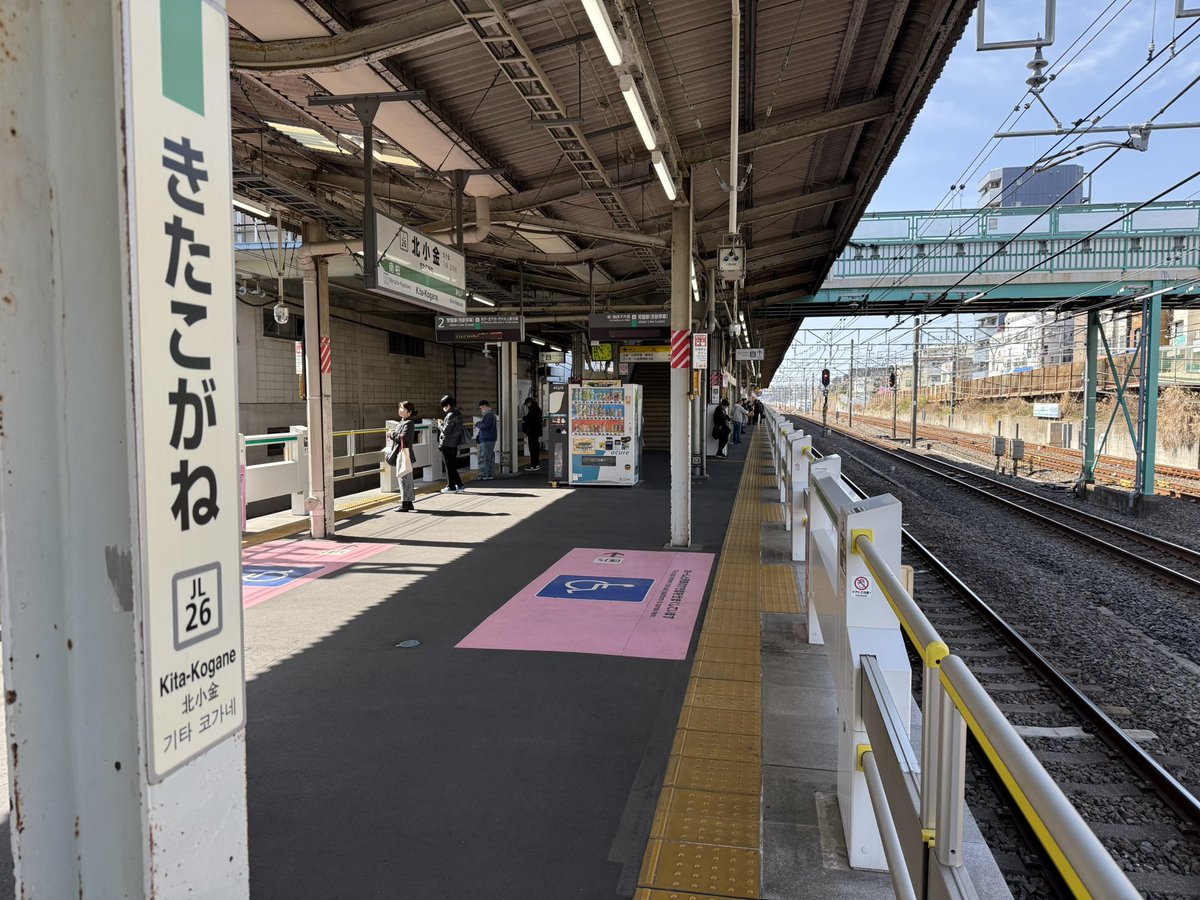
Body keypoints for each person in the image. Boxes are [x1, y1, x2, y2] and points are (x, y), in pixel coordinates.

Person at [391, 401, 420, 512]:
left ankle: (405, 504)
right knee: (404, 479)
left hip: (405, 454)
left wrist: (392, 434)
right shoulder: (402, 423)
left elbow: (403, 437)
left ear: (409, 412)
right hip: (402, 453)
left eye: (403, 408)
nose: (400, 410)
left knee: (404, 480)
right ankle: (408, 503)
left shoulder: (409, 423)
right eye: (400, 408)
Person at [436, 394, 466, 493]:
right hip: (454, 443)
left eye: (444, 406)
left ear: (448, 405)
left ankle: (451, 487)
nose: (443, 408)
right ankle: (459, 486)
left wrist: (440, 424)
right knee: (451, 466)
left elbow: (446, 430)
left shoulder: (450, 415)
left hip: (447, 443)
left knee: (449, 466)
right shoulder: (458, 414)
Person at [475, 400, 497, 480]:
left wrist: (477, 424)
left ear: (484, 406)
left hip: (486, 438)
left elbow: (485, 426)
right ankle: (489, 474)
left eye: (481, 408)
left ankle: (483, 474)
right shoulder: (492, 414)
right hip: (491, 438)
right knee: (489, 457)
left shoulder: (488, 414)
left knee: (483, 457)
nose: (481, 410)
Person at [521, 397, 543, 471]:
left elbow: (528, 421)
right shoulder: (538, 410)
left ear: (530, 403)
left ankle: (533, 465)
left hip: (532, 433)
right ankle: (536, 464)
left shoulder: (532, 411)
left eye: (527, 404)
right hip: (536, 432)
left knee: (532, 449)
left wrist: (524, 420)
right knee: (535, 449)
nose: (527, 406)